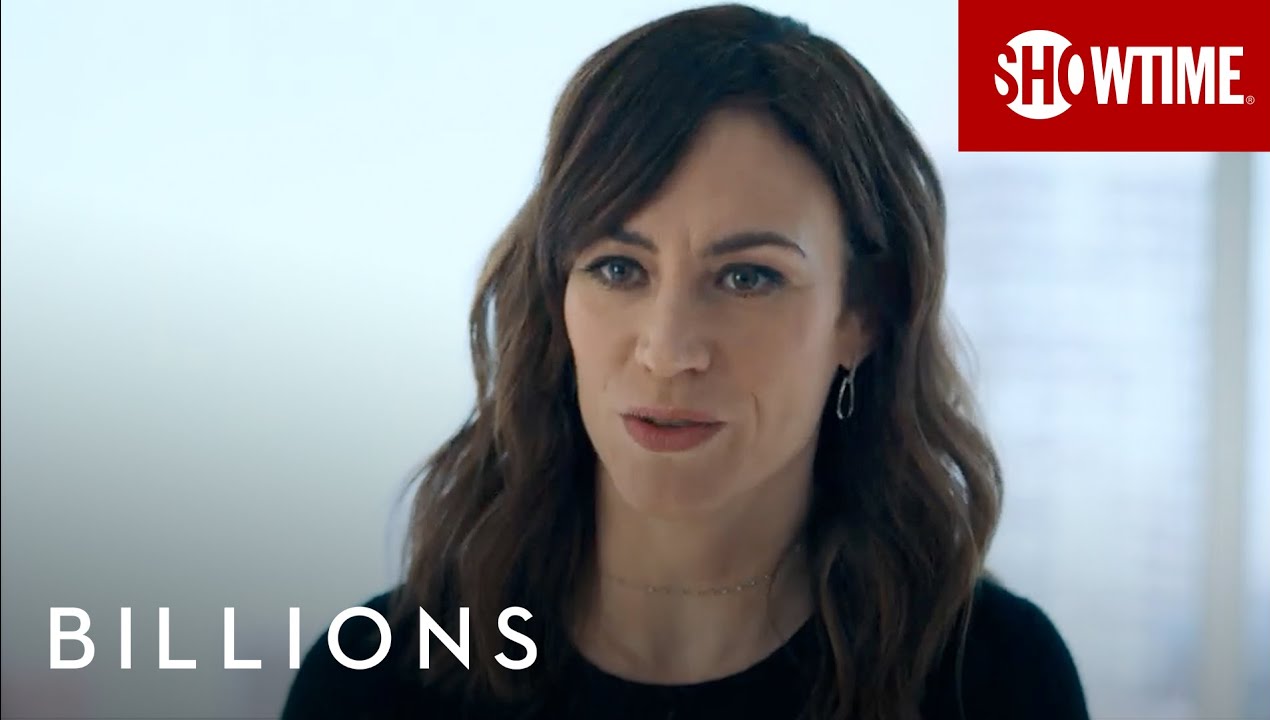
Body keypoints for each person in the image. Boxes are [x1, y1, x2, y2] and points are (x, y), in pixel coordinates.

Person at [282, 4, 1090, 719]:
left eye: (748, 278)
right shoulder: (379, 683)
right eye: (618, 268)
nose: (668, 351)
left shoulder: (993, 682)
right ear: (558, 298)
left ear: (863, 316)